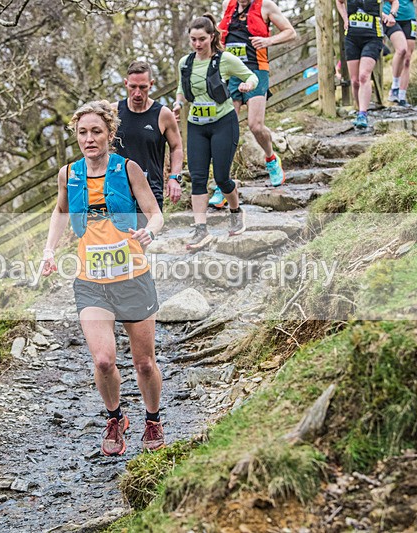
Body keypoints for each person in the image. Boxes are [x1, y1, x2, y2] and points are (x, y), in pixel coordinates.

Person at [41, 101, 165, 456]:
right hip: (91, 280)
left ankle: (153, 418)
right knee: (103, 360)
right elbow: (60, 210)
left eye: (96, 131)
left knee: (143, 362)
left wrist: (150, 233)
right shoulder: (69, 173)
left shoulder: (129, 169)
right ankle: (115, 417)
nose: (89, 138)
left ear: (110, 134)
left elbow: (155, 214)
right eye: (82, 132)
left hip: (132, 276)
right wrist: (50, 250)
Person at [172, 14, 258, 249]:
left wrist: (247, 85)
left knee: (221, 177)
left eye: (201, 39)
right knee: (198, 178)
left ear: (211, 37)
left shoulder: (225, 60)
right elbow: (181, 88)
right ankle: (201, 229)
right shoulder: (185, 63)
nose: (197, 44)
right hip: (196, 125)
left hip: (223, 122)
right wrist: (178, 103)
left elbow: (250, 75)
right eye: (193, 40)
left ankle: (236, 210)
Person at [216, 0, 297, 194]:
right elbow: (219, 37)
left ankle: (271, 159)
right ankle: (223, 182)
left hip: (256, 70)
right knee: (227, 129)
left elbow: (290, 32)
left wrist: (269, 41)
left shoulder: (266, 6)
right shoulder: (228, 5)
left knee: (255, 125)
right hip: (232, 73)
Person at [115, 60, 184, 226]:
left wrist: (174, 177)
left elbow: (177, 147)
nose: (137, 93)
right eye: (132, 87)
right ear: (126, 84)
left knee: (143, 242)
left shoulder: (163, 114)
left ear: (151, 85)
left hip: (150, 190)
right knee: (120, 242)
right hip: (119, 188)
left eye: (143, 87)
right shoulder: (113, 111)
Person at [336, 0, 398, 129]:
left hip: (372, 37)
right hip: (352, 37)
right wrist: (345, 18)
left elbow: (395, 2)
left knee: (364, 75)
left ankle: (363, 113)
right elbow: (339, 2)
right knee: (354, 81)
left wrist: (392, 15)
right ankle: (360, 111)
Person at [383, 0, 417, 106]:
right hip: (390, 16)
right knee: (401, 49)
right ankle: (395, 87)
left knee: (407, 59)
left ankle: (402, 97)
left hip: (409, 18)